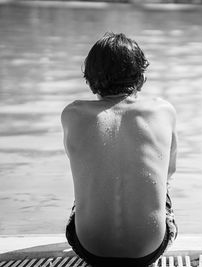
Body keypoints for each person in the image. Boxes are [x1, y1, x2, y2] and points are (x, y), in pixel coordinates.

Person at [61, 32, 178, 267]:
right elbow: (168, 173)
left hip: (90, 249)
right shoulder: (163, 111)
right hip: (150, 249)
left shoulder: (72, 114)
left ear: (89, 80)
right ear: (142, 78)